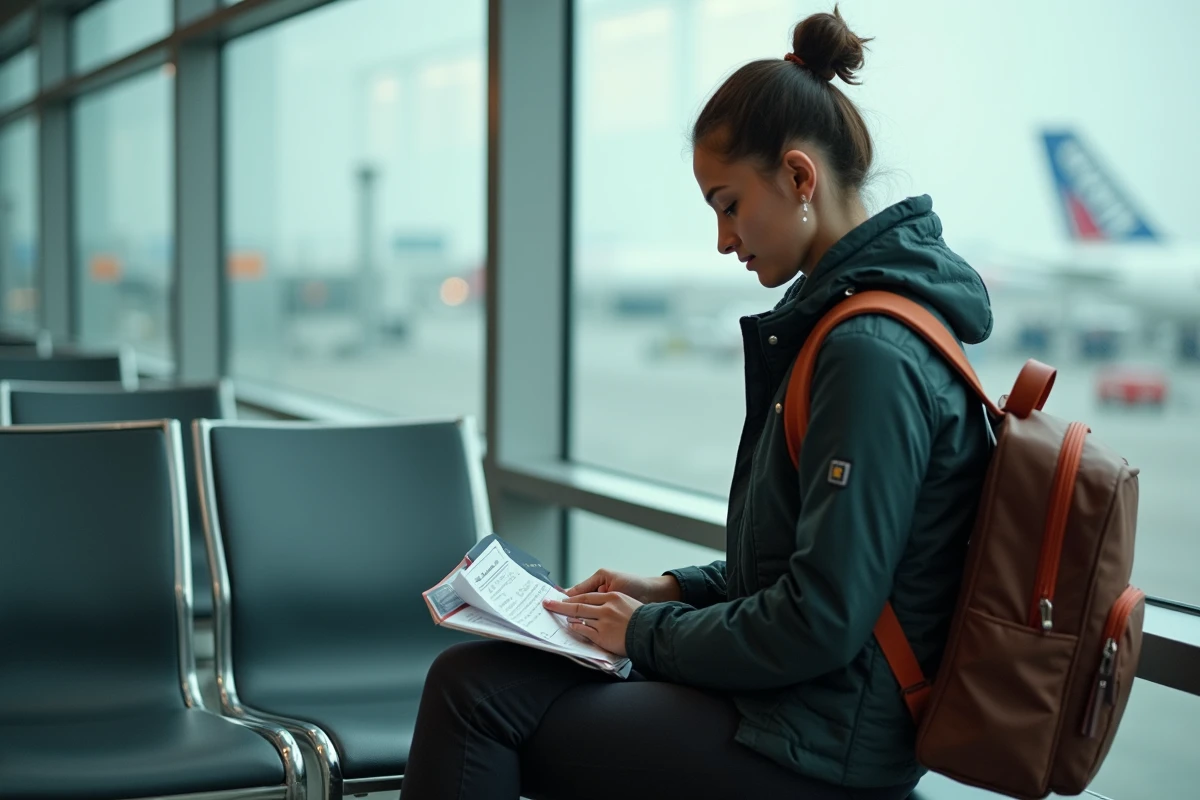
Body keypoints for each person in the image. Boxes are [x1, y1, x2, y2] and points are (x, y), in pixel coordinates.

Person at [401, 7, 992, 799]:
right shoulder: (857, 327)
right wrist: (672, 591)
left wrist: (646, 631)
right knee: (474, 678)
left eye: (728, 203)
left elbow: (821, 617)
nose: (723, 238)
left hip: (822, 745)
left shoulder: (868, 352)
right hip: (804, 709)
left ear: (799, 178)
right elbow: (812, 569)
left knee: (474, 701)